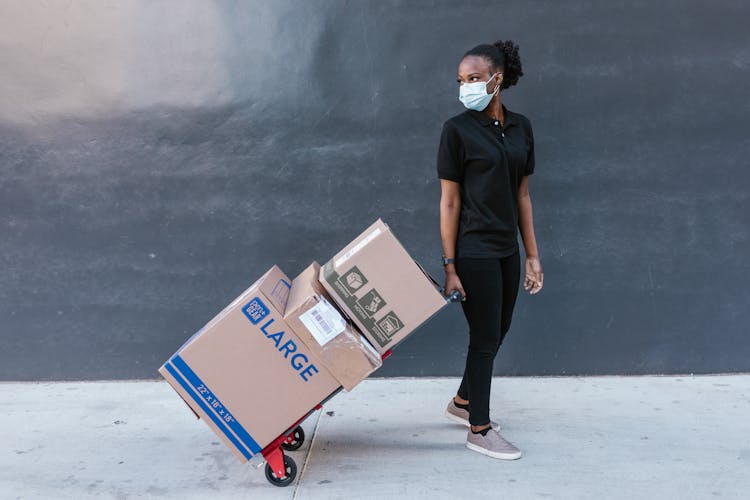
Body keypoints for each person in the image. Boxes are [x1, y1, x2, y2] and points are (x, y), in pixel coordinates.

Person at [437, 39, 544, 460]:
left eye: (475, 78)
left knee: (498, 330)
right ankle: (478, 429)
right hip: (473, 251)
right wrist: (450, 264)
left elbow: (523, 197)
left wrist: (532, 254)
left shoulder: (521, 128)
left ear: (497, 79)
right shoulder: (457, 131)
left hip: (506, 251)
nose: (466, 86)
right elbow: (449, 201)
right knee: (484, 338)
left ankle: (462, 401)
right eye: (461, 80)